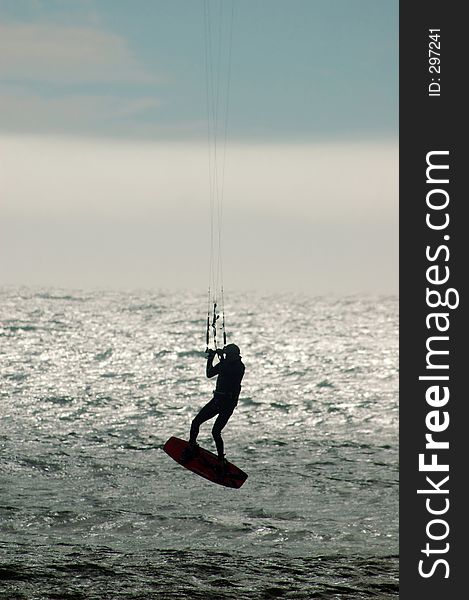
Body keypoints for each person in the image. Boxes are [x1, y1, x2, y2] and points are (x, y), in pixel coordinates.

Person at [186, 343, 245, 466]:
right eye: (226, 355)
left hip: (227, 405)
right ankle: (192, 445)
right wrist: (212, 358)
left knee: (215, 431)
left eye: (228, 355)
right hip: (217, 401)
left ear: (234, 356)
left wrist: (218, 357)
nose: (226, 357)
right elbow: (209, 373)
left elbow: (229, 371)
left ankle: (221, 458)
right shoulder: (225, 364)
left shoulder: (239, 367)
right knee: (195, 422)